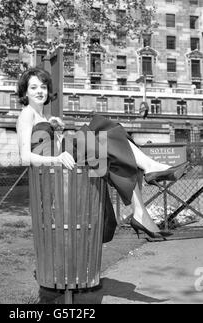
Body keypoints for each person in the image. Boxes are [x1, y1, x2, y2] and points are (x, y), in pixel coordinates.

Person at [16, 67, 189, 242]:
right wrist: (57, 157)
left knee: (112, 147)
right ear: (25, 92)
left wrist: (57, 136)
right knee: (102, 128)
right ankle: (150, 172)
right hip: (56, 168)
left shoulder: (42, 116)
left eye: (43, 87)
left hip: (65, 160)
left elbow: (48, 145)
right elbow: (25, 157)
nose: (40, 91)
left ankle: (140, 211)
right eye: (34, 87)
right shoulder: (26, 114)